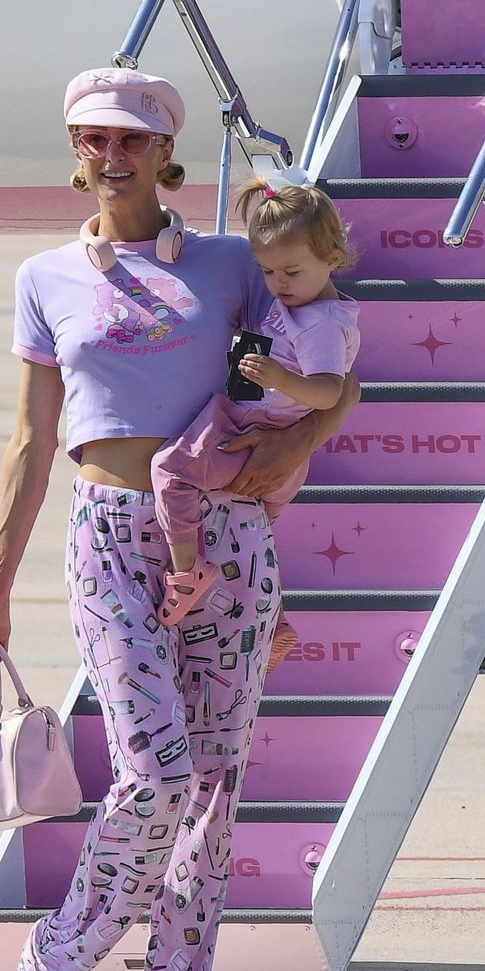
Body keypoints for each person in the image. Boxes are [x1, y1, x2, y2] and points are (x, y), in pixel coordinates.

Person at [0, 67, 360, 971]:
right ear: (74, 150)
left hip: (225, 537)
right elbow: (29, 440)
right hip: (106, 536)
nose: (112, 154)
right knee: (156, 774)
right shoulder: (44, 278)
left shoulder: (229, 263)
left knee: (212, 786)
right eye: (94, 138)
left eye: (131, 139)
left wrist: (296, 451)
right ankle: (58, 958)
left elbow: (336, 381)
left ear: (163, 150)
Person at [150, 179, 359, 648]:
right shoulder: (308, 309)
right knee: (253, 534)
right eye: (266, 272)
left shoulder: (321, 323)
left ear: (332, 259)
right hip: (277, 443)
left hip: (256, 428)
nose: (278, 285)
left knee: (169, 473)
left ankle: (186, 570)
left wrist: (278, 379)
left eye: (290, 272)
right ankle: (277, 618)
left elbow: (331, 391)